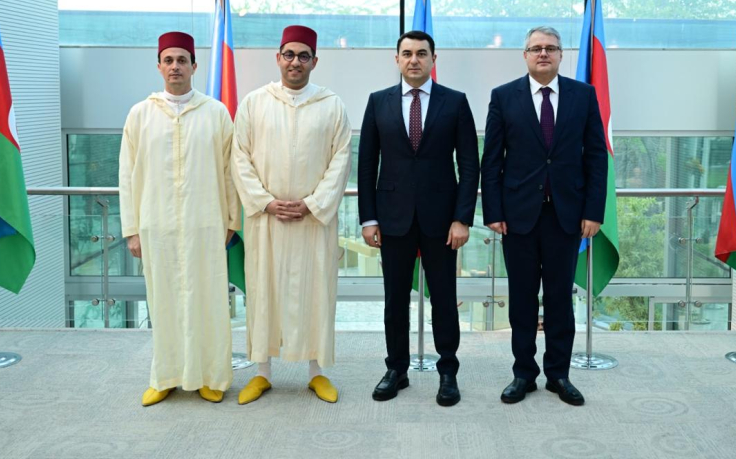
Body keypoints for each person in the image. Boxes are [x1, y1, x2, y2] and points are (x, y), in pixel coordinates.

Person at [481, 25, 607, 407]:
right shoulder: (504, 97)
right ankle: (523, 374)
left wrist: (594, 211)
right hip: (517, 217)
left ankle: (558, 375)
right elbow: (492, 160)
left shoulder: (583, 96)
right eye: (536, 48)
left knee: (559, 300)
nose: (543, 54)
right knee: (521, 300)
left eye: (550, 48)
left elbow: (596, 157)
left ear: (560, 55)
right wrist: (493, 211)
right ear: (525, 55)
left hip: (566, 217)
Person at [119, 30, 241, 407]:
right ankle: (166, 376)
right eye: (168, 60)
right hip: (156, 226)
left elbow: (230, 171)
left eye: (182, 60)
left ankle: (211, 376)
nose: (175, 66)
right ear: (159, 66)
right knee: (164, 301)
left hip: (206, 224)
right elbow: (127, 175)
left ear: (194, 66)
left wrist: (231, 222)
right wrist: (132, 230)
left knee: (209, 301)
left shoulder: (215, 113)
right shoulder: (141, 114)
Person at [232, 24, 352, 405]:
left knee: (316, 294)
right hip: (266, 221)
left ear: (315, 61)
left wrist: (313, 204)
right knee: (263, 293)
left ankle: (317, 373)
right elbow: (239, 158)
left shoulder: (331, 105)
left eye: (303, 56)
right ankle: (261, 372)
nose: (295, 62)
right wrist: (266, 201)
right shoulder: (254, 103)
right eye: (289, 54)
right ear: (278, 58)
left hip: (313, 222)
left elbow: (341, 160)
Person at [358, 30, 479, 407]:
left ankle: (448, 372)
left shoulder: (455, 102)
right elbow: (366, 165)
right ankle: (396, 369)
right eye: (407, 53)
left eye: (421, 54)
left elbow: (469, 165)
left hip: (442, 222)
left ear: (433, 59)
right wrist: (368, 219)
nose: (414, 60)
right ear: (396, 59)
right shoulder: (378, 102)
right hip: (392, 219)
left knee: (444, 299)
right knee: (395, 301)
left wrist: (462, 219)